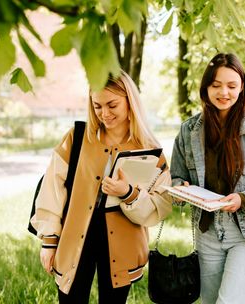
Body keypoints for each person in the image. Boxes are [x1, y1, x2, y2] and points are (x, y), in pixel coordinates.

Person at [30, 71, 172, 303]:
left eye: (112, 105)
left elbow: (160, 207)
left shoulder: (150, 150)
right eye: (97, 106)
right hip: (76, 235)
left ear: (130, 101)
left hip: (123, 243)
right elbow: (52, 190)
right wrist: (49, 241)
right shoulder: (77, 138)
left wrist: (128, 193)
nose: (104, 113)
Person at [170, 53, 245, 303]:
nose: (223, 92)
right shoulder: (188, 131)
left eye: (232, 86)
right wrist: (179, 189)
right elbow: (176, 177)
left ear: (242, 87)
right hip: (208, 233)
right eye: (216, 85)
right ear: (205, 88)